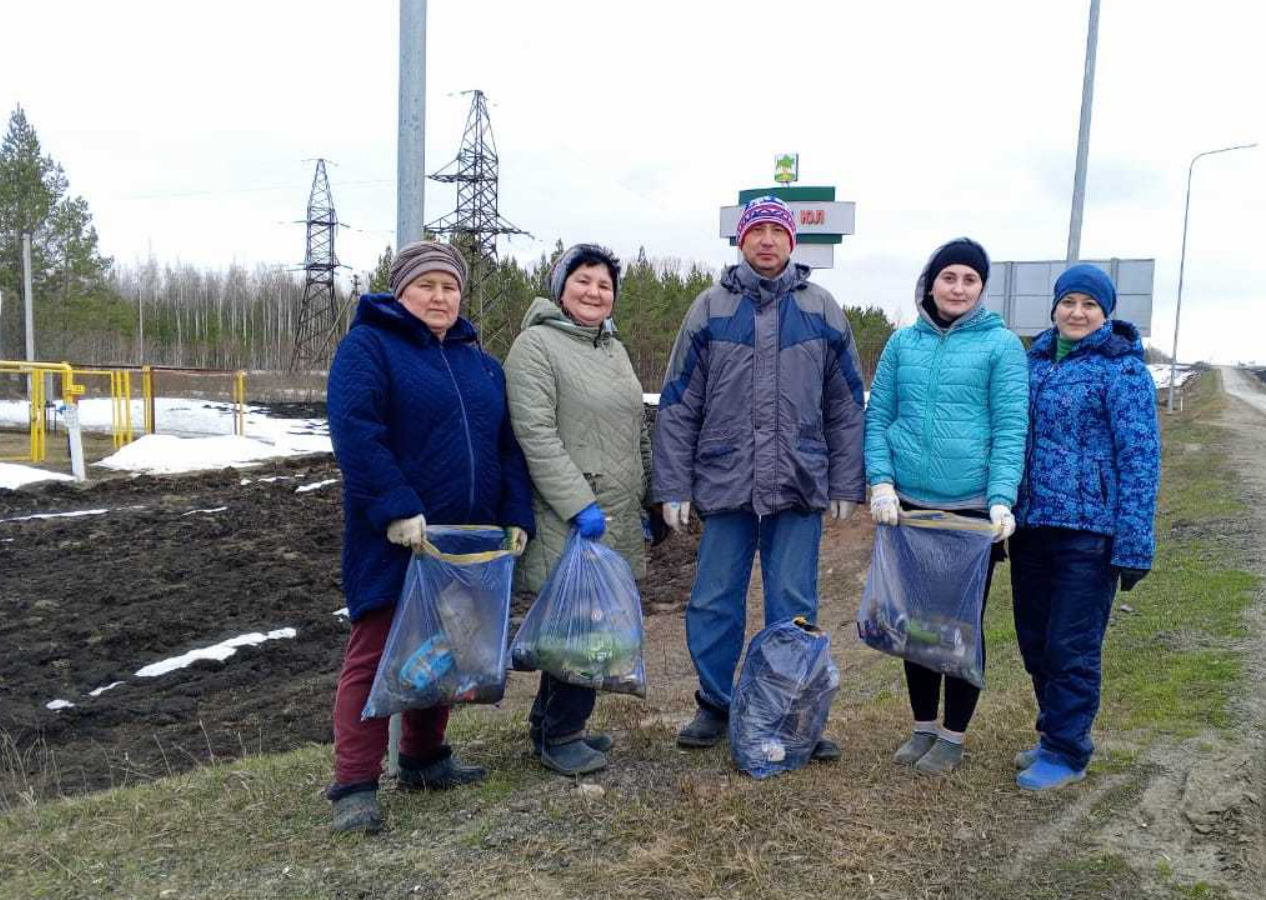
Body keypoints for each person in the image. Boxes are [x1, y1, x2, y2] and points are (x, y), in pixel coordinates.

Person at [324, 240, 535, 834]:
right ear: (401, 290)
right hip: (398, 536)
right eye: (427, 286)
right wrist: (394, 507)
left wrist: (516, 515)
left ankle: (422, 757)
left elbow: (506, 447)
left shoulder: (480, 363)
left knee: (445, 646)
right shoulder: (369, 347)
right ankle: (355, 783)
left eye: (450, 287)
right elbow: (356, 432)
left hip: (466, 539)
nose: (440, 297)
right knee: (378, 651)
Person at [653, 195, 866, 757]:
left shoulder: (822, 309)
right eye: (757, 231)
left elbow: (846, 404)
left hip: (798, 480)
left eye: (778, 231)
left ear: (793, 242)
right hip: (725, 481)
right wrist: (672, 485)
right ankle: (716, 705)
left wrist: (847, 482)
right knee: (714, 599)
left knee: (793, 605)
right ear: (740, 240)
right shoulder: (709, 309)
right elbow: (677, 403)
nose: (767, 240)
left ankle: (789, 711)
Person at [863, 238, 1026, 775]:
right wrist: (881, 482)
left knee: (958, 625)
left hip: (970, 512)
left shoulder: (1001, 346)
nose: (958, 288)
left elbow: (1010, 429)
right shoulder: (902, 344)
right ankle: (923, 727)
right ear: (930, 283)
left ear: (981, 288)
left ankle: (954, 736)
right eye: (948, 277)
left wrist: (1002, 499)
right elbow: (879, 417)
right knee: (916, 625)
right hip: (908, 508)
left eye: (969, 280)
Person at [1008, 263, 1160, 791]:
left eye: (1088, 305)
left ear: (1105, 312)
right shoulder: (1032, 363)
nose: (1077, 313)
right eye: (1068, 302)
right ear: (1054, 307)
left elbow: (1140, 458)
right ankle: (1052, 731)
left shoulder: (1123, 371)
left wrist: (1134, 544)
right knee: (1034, 640)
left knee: (1070, 646)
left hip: (1088, 533)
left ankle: (1067, 750)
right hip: (1030, 527)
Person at [504, 244, 648, 778]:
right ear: (560, 288)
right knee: (580, 624)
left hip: (617, 507)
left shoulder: (614, 349)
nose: (594, 292)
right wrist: (579, 504)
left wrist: (645, 497)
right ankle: (562, 734)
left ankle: (551, 725)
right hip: (568, 513)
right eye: (583, 280)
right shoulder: (535, 347)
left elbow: (633, 428)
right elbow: (535, 436)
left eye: (604, 285)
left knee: (587, 618)